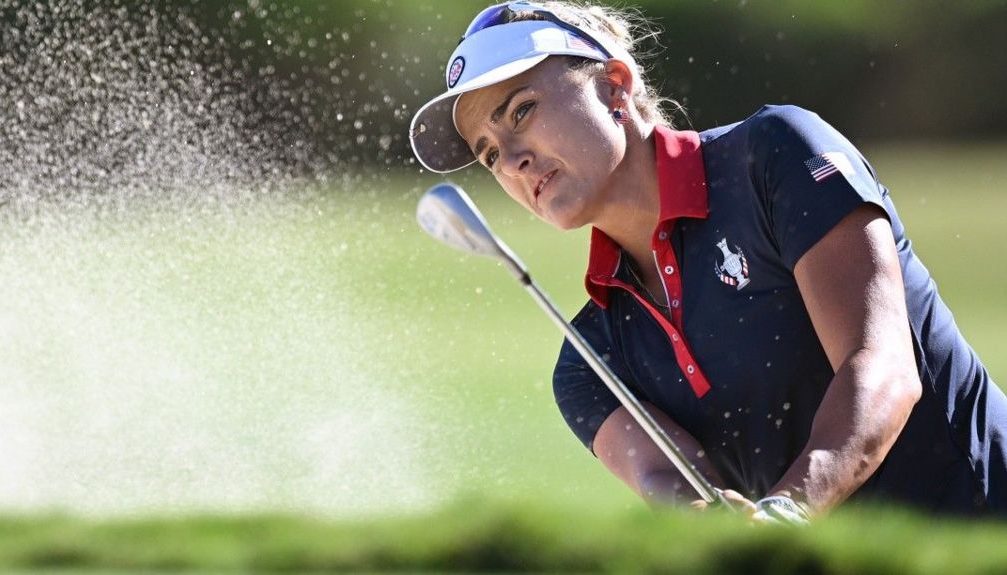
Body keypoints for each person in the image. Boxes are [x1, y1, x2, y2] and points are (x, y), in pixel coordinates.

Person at [408, 1, 1007, 520]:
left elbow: (882, 371)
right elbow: (670, 483)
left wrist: (789, 510)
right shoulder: (590, 361)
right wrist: (707, 523)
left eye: (521, 111)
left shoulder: (774, 156)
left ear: (615, 85)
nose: (510, 158)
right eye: (487, 154)